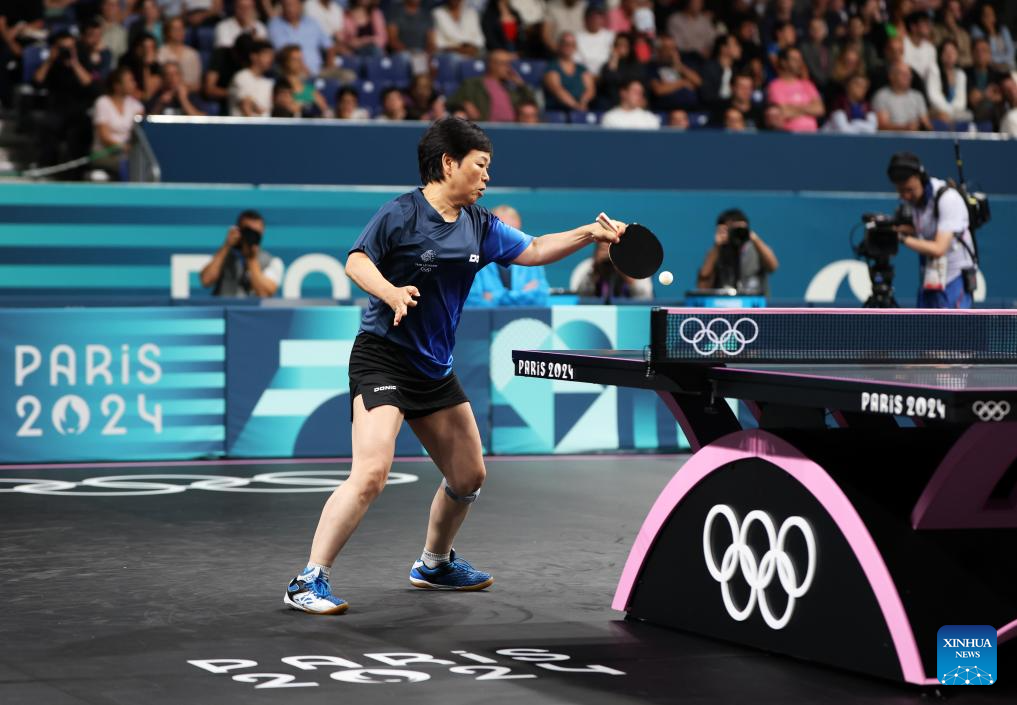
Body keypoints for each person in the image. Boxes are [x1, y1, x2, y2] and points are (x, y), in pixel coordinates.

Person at [282, 117, 625, 614]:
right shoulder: (401, 213)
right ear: (448, 163)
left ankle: (434, 564)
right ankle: (308, 579)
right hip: (383, 357)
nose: (486, 178)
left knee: (469, 475)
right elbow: (357, 261)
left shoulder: (480, 224)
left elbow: (533, 248)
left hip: (433, 369)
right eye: (480, 167)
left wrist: (590, 233)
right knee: (372, 472)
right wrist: (391, 291)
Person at [886, 152, 975, 309]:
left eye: (909, 190)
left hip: (954, 281)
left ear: (920, 177)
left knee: (953, 332)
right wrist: (896, 229)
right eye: (901, 192)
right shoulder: (916, 202)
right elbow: (925, 231)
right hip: (930, 279)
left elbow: (938, 248)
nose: (905, 196)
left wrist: (901, 238)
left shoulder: (948, 199)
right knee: (925, 332)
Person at [466, 205, 550, 307]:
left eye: (513, 231)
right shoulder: (473, 257)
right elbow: (472, 302)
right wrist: (521, 295)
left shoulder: (533, 256)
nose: (507, 237)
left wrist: (495, 297)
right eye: (502, 230)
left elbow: (541, 298)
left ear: (519, 228)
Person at [200, 209, 283, 297]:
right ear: (238, 230)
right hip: (224, 309)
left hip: (254, 311)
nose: (251, 236)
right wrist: (226, 245)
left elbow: (264, 293)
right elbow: (206, 280)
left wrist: (251, 258)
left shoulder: (272, 261)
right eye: (247, 232)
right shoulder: (224, 255)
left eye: (255, 233)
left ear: (262, 232)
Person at [696, 208, 778, 294]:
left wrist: (753, 237)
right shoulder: (716, 253)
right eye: (731, 230)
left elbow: (773, 266)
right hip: (724, 304)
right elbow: (702, 286)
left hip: (754, 304)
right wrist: (717, 246)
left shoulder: (756, 250)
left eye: (739, 229)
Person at [449, 49, 536, 122]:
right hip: (487, 128)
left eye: (509, 64)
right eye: (504, 64)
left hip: (512, 128)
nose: (508, 68)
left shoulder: (511, 87)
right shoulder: (473, 84)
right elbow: (452, 101)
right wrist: (465, 104)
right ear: (492, 65)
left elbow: (532, 102)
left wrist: (521, 85)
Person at [92, 66, 146, 179]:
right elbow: (104, 137)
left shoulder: (137, 106)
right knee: (127, 166)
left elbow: (139, 134)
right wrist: (123, 148)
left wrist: (131, 149)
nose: (134, 84)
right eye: (130, 80)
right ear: (117, 86)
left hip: (129, 155)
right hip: (105, 154)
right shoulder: (102, 103)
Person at [268, 0, 334, 76]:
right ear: (282, 7)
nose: (289, 8)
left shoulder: (312, 22)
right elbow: (285, 53)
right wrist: (305, 69)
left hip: (319, 70)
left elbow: (329, 46)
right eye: (287, 5)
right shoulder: (275, 24)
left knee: (346, 76)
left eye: (293, 5)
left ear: (300, 6)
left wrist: (329, 65)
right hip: (293, 73)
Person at [766, 47, 824, 132]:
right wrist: (808, 108)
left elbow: (820, 109)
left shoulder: (807, 84)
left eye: (800, 59)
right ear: (784, 62)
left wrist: (794, 108)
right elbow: (783, 112)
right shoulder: (775, 86)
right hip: (789, 136)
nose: (799, 63)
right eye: (795, 59)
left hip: (812, 135)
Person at [575, 240, 652, 301]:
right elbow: (578, 296)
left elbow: (646, 297)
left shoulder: (634, 267)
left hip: (627, 313)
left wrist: (621, 267)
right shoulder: (586, 267)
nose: (607, 253)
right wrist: (595, 269)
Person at [872, 60, 932, 131]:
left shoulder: (917, 96)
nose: (907, 77)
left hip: (916, 138)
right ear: (891, 76)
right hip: (891, 140)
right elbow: (882, 126)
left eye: (909, 74)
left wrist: (923, 126)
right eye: (903, 74)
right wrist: (905, 128)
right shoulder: (881, 96)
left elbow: (926, 124)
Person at [543, 32, 596, 112]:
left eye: (572, 44)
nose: (568, 47)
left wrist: (583, 101)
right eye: (565, 43)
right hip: (558, 111)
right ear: (559, 45)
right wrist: (575, 106)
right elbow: (557, 89)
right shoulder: (552, 68)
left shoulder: (582, 69)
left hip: (580, 110)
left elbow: (590, 89)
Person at [229, 39, 274, 117]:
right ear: (254, 56)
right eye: (266, 55)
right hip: (244, 127)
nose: (270, 59)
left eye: (271, 56)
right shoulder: (241, 77)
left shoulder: (269, 82)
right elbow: (246, 106)